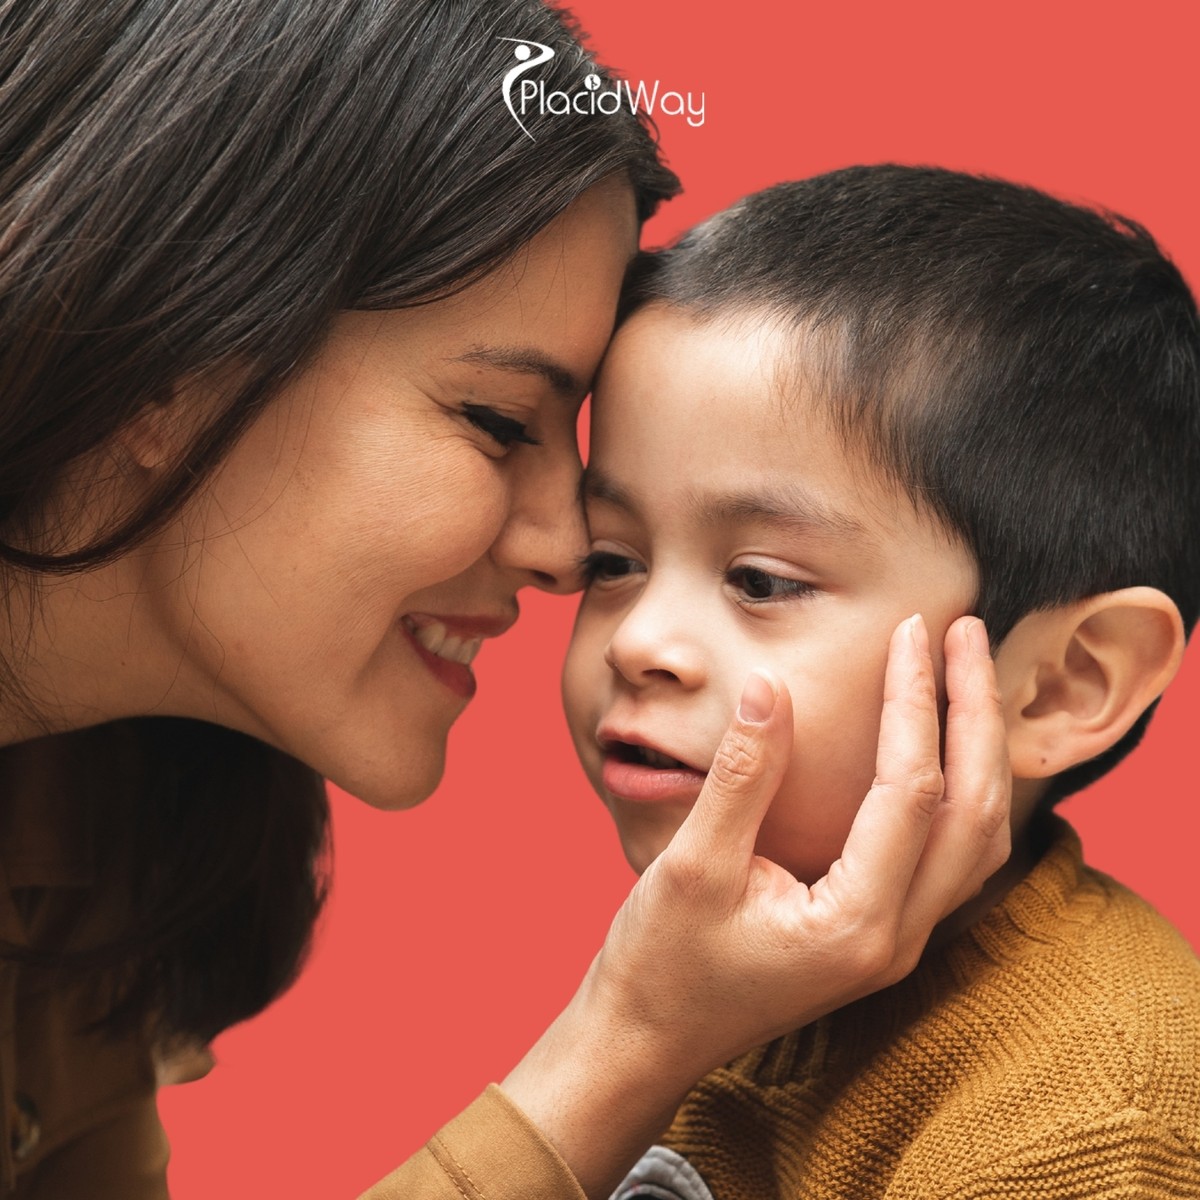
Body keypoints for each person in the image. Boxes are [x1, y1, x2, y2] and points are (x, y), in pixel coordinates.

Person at [0, 4, 1013, 1197]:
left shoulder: (94, 820)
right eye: (494, 421)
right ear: (164, 358)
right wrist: (625, 1047)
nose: (570, 547)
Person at [561, 165, 1200, 1198]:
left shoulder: (1087, 1120)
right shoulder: (704, 974)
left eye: (761, 579)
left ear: (1061, 686)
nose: (639, 641)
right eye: (610, 561)